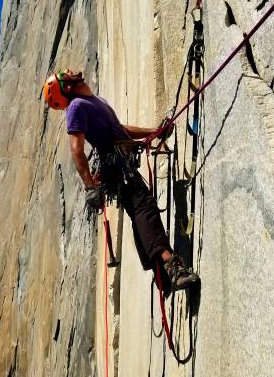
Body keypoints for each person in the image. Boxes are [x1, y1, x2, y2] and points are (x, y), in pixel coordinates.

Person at [43, 69, 200, 292]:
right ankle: (169, 265)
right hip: (115, 167)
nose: (69, 70)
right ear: (66, 88)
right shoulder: (76, 107)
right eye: (63, 74)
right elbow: (76, 150)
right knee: (143, 208)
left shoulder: (94, 101)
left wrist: (155, 132)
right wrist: (89, 186)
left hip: (120, 165)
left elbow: (121, 130)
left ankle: (162, 274)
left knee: (141, 212)